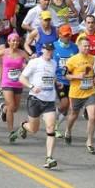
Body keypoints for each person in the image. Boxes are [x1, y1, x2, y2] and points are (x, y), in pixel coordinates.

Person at [17, 41, 60, 169]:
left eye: (51, 50)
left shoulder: (54, 63)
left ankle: (49, 157)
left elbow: (51, 78)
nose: (49, 52)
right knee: (34, 129)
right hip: (35, 99)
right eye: (47, 50)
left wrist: (57, 83)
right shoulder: (34, 62)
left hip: (49, 100)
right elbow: (22, 78)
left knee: (51, 128)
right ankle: (24, 126)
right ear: (43, 50)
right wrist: (31, 86)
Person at [0, 32, 28, 143]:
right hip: (6, 83)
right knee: (11, 106)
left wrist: (26, 67)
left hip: (18, 83)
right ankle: (11, 131)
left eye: (17, 40)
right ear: (9, 42)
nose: (15, 42)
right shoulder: (4, 52)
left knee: (14, 108)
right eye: (13, 40)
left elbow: (30, 64)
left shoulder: (22, 53)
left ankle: (4, 109)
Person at [63, 37, 95, 154]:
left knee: (93, 116)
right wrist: (77, 77)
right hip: (76, 93)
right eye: (85, 46)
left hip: (89, 92)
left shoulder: (92, 59)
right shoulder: (72, 60)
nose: (87, 48)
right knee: (74, 115)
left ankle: (89, 142)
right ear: (79, 47)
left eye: (88, 46)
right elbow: (65, 75)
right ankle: (68, 130)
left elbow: (94, 74)